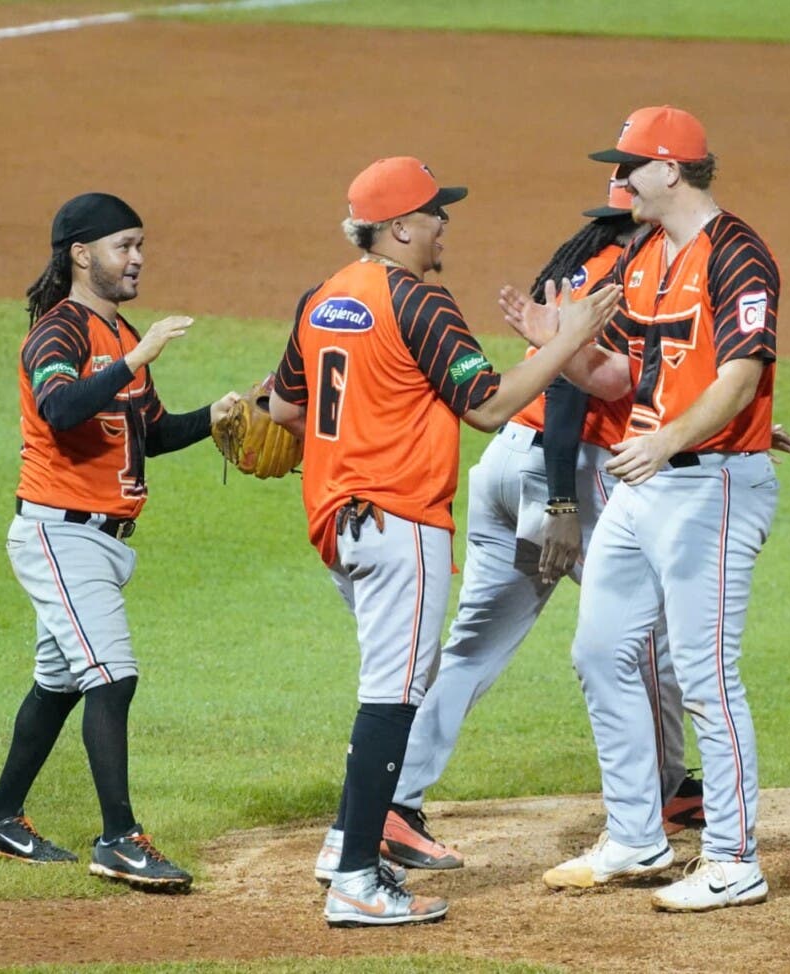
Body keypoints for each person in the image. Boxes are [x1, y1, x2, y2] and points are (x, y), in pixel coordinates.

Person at [266, 156, 624, 927]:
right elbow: (489, 406)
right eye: (434, 214)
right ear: (399, 227)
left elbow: (287, 412)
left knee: (390, 684)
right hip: (399, 522)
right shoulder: (419, 303)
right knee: (392, 696)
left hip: (336, 524)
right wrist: (566, 343)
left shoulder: (322, 297)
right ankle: (359, 878)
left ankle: (343, 843)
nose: (443, 225)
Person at [377, 178, 703, 877]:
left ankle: (393, 800)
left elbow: (649, 380)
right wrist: (561, 507)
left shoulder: (595, 265)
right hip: (562, 474)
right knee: (647, 637)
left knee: (472, 649)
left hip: (504, 468)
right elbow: (563, 386)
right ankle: (665, 790)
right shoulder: (624, 274)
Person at [504, 106, 785, 911]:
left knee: (706, 676)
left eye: (629, 165)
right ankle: (636, 835)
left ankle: (734, 858)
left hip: (711, 484)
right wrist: (558, 342)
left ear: (671, 170)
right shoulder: (647, 256)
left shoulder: (738, 255)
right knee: (600, 650)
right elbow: (627, 379)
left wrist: (665, 443)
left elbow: (739, 379)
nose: (617, 179)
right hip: (646, 481)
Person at [0, 192, 239, 891]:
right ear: (82, 255)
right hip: (60, 534)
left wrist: (219, 414)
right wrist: (133, 358)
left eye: (141, 243)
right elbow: (60, 409)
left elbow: (152, 430)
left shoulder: (121, 336)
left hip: (102, 541)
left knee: (58, 684)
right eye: (124, 245)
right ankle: (119, 839)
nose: (138, 257)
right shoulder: (58, 334)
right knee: (111, 675)